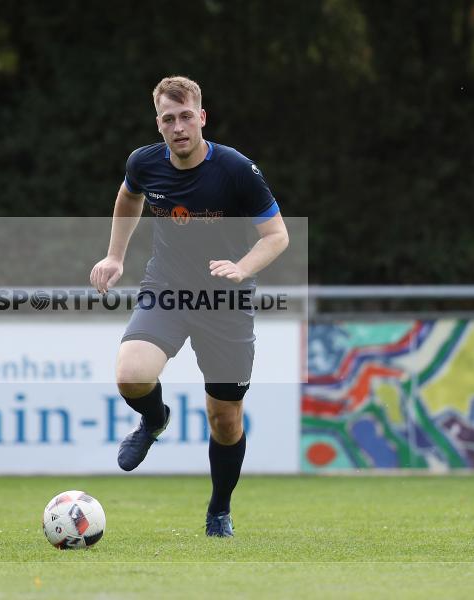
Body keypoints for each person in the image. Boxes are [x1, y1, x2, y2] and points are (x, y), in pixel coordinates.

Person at [89, 76, 289, 537]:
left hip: (226, 301)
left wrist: (241, 268)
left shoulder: (236, 169)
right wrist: (115, 255)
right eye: (167, 118)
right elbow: (128, 195)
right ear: (158, 124)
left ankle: (219, 508)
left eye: (185, 117)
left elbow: (277, 235)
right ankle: (154, 419)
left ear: (201, 118)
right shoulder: (144, 162)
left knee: (225, 419)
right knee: (131, 373)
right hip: (168, 288)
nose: (178, 127)